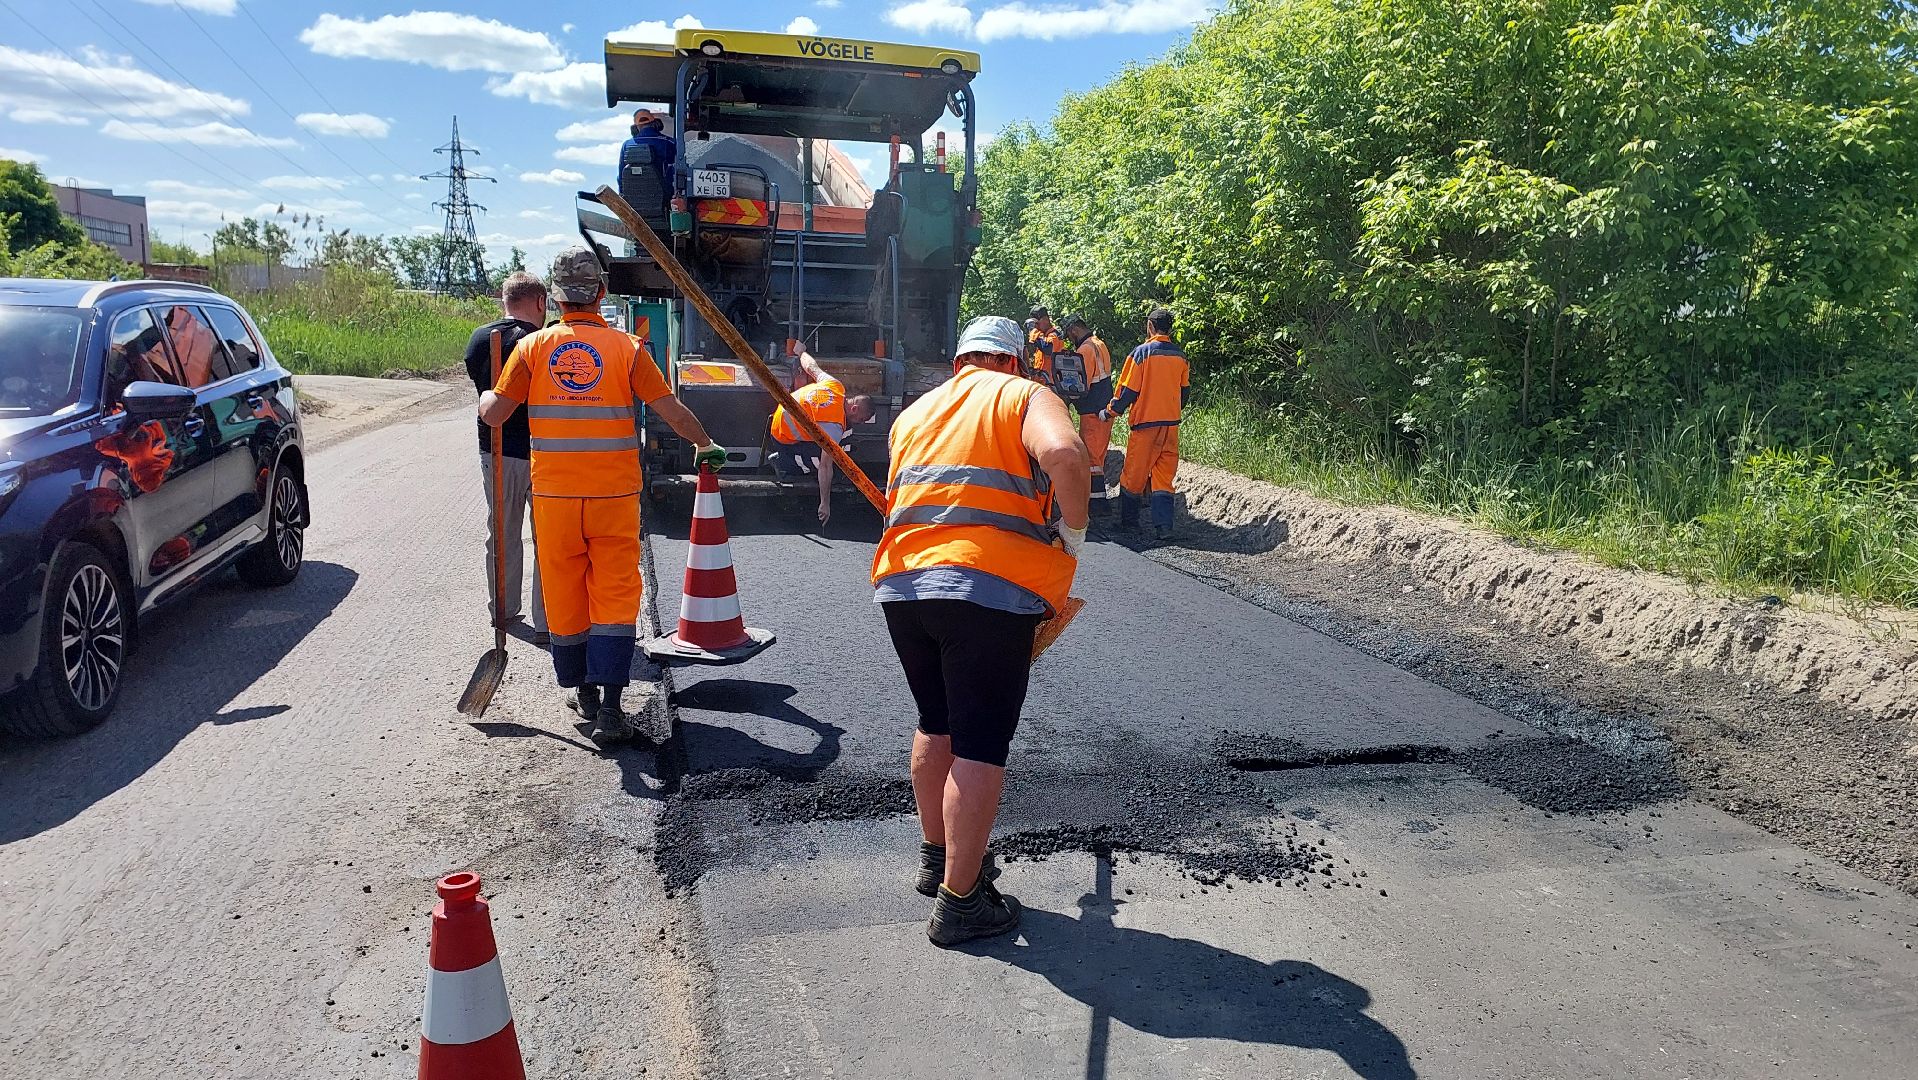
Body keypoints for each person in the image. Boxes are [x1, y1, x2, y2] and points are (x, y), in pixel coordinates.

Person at [871, 314, 1090, 946]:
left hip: (903, 585)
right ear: (1014, 361)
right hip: (985, 590)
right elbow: (1065, 454)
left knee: (935, 722)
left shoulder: (916, 412)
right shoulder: (1023, 395)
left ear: (959, 361)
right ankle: (961, 903)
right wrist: (1072, 532)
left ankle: (938, 859)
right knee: (979, 744)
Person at [479, 247, 728, 743]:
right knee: (615, 593)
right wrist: (704, 442)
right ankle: (611, 708)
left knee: (565, 592)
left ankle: (584, 692)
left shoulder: (531, 349)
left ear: (556, 297)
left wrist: (487, 396)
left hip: (555, 498)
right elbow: (669, 408)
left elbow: (496, 414)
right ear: (602, 292)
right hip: (613, 496)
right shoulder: (627, 349)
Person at [464, 271, 549, 643]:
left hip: (498, 453)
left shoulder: (479, 339)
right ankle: (547, 621)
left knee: (502, 533)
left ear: (505, 300)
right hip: (542, 452)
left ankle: (503, 609)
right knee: (547, 539)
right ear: (541, 302)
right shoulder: (542, 342)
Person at [1101, 307, 1190, 538]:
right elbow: (1184, 392)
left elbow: (1128, 391)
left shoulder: (1141, 353)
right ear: (1170, 329)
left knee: (1133, 475)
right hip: (1170, 427)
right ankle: (1164, 528)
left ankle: (1129, 524)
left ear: (1150, 326)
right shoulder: (1180, 356)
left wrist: (1110, 412)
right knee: (1164, 478)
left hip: (1145, 426)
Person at [766, 347, 876, 525]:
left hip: (780, 416)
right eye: (861, 419)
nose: (860, 423)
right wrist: (825, 503)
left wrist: (801, 352)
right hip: (783, 438)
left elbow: (811, 367)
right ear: (854, 408)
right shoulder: (833, 426)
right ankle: (783, 462)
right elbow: (825, 466)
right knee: (821, 461)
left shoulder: (835, 386)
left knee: (842, 442)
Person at [1060, 315, 1114, 505]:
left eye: (1068, 335)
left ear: (1074, 330)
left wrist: (1066, 399)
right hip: (1104, 410)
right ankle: (1098, 501)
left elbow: (1081, 385)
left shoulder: (1084, 350)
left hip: (1092, 412)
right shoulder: (1099, 344)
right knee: (1098, 456)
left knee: (1091, 460)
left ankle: (1097, 504)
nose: (1069, 339)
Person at [621, 108, 676, 184]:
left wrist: (622, 191)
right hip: (664, 190)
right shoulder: (669, 142)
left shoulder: (626, 145)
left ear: (635, 128)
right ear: (656, 124)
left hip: (632, 190)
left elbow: (621, 174)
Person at [1024, 305, 1068, 387]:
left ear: (1046, 319)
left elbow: (1048, 349)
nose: (1036, 327)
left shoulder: (1055, 335)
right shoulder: (1043, 336)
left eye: (1037, 323)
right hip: (1041, 384)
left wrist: (1033, 331)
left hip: (1053, 385)